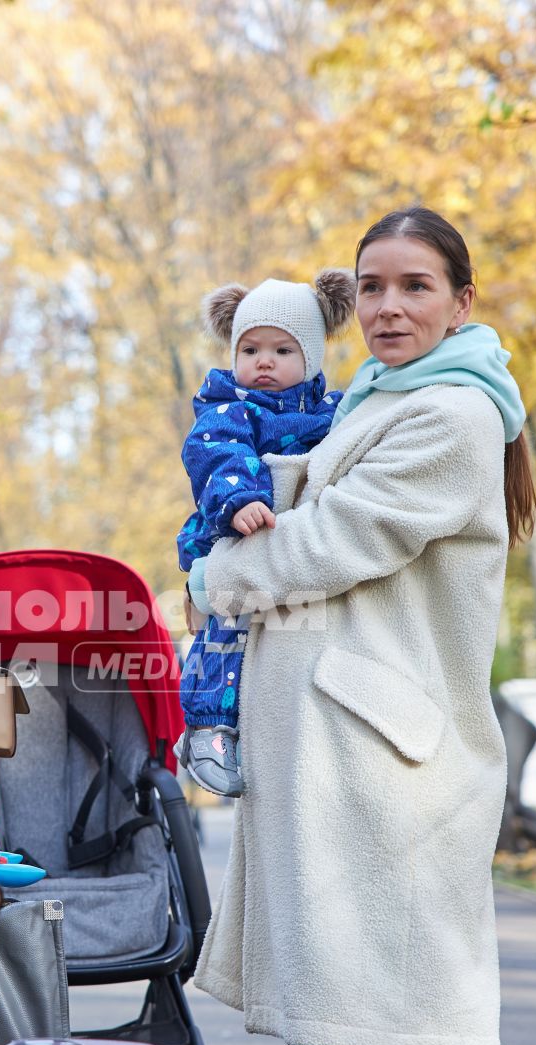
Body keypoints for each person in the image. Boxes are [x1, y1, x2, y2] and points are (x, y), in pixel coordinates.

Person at [188, 207, 536, 1045]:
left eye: (415, 286)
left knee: (419, 987)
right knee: (337, 986)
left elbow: (341, 538)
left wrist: (219, 578)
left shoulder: (455, 414)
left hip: (396, 756)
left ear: (460, 303)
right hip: (334, 746)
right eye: (373, 286)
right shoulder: (373, 403)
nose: (389, 306)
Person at [175, 272, 354, 795]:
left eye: (282, 349)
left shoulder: (332, 414)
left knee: (286, 641)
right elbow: (215, 453)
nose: (264, 362)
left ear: (313, 358)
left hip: (293, 551)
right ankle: (208, 727)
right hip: (233, 534)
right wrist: (239, 499)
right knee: (223, 635)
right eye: (250, 349)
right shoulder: (227, 406)